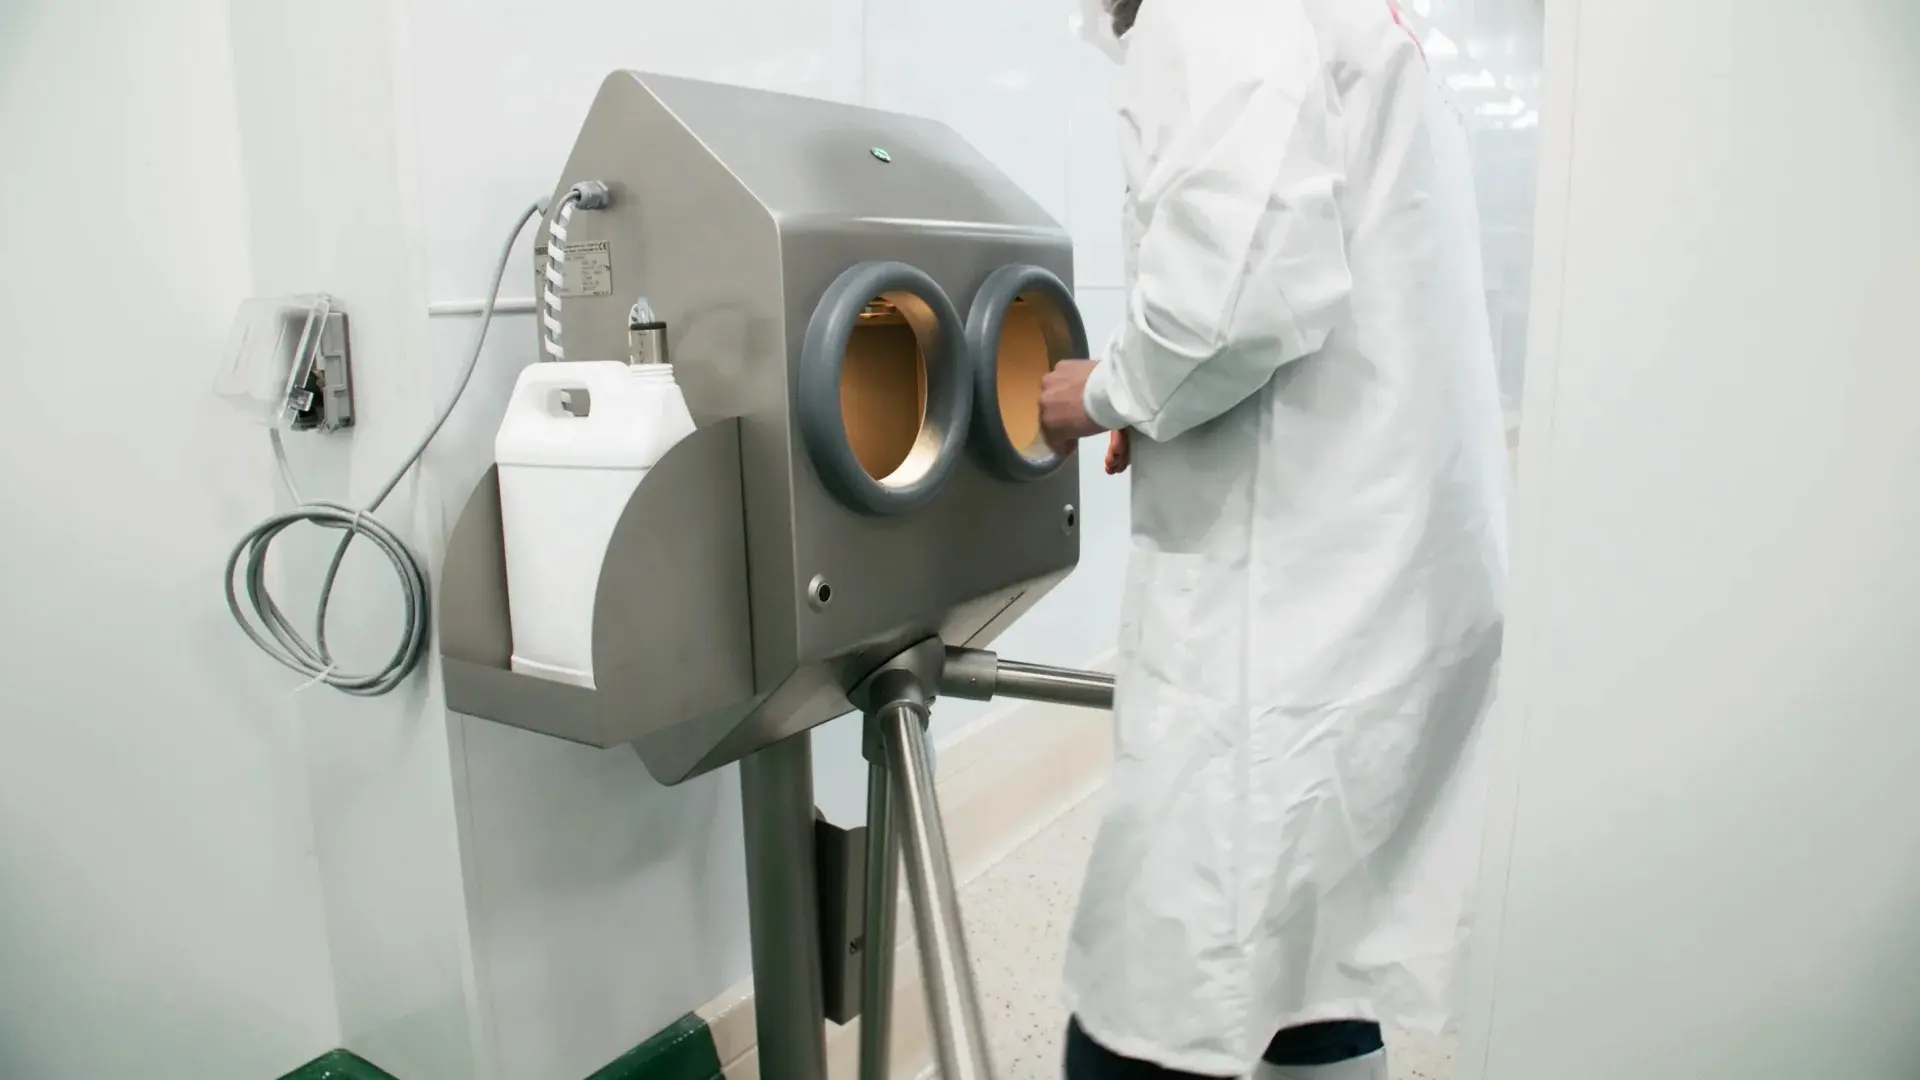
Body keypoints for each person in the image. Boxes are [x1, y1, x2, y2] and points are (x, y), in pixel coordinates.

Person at [1037, 0, 1510, 1077]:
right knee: (1309, 946)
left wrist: (1105, 391)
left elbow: (1238, 294)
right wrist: (1164, 411)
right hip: (1373, 559)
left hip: (1288, 608)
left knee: (1167, 981)